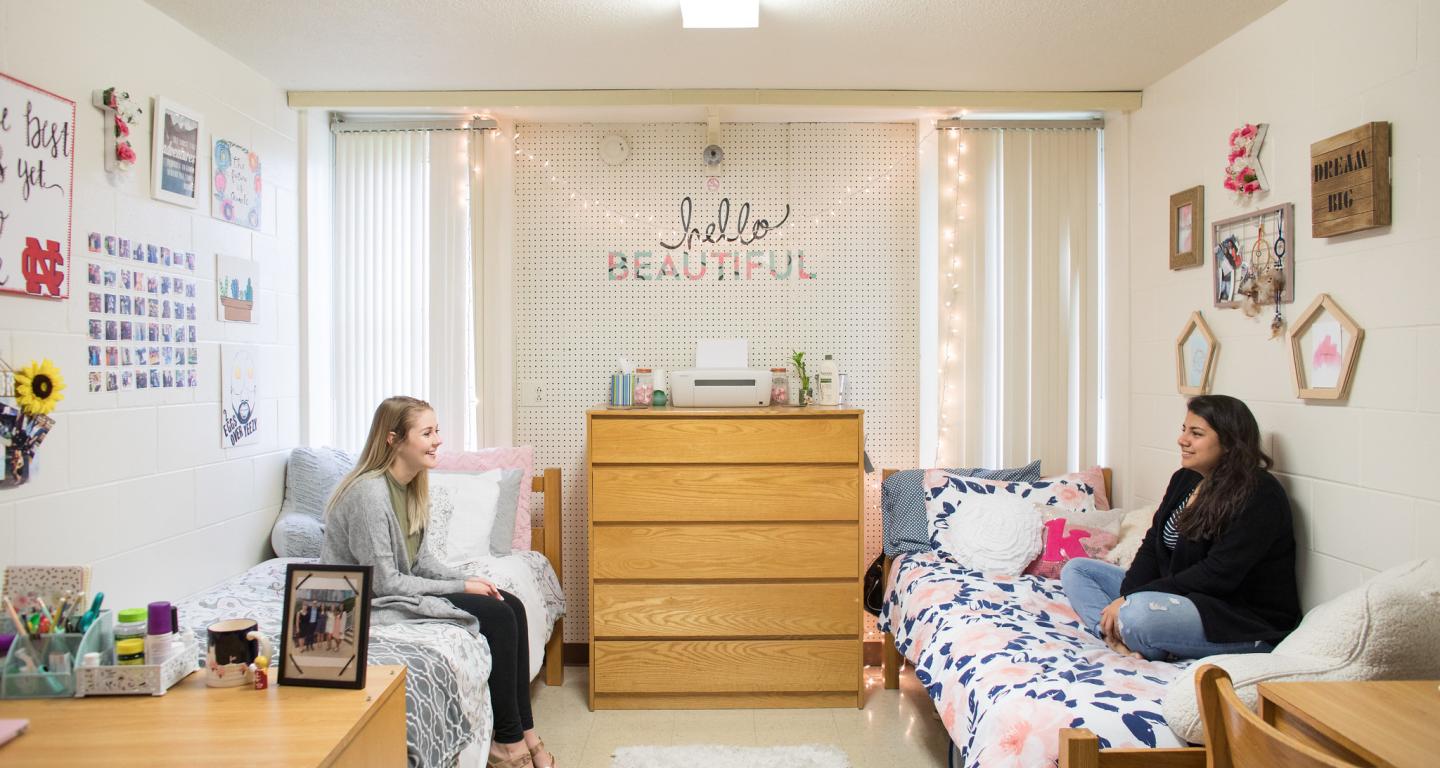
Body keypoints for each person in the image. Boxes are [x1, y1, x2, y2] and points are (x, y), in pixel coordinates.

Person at [323, 396, 554, 768]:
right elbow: (383, 583)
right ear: (394, 440)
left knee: (510, 603)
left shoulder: (413, 485)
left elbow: (423, 562)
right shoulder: (369, 494)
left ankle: (525, 733)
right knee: (496, 616)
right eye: (427, 433)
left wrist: (467, 578)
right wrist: (460, 589)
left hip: (397, 588)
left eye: (437, 431)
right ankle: (508, 744)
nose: (438, 441)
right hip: (365, 602)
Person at [1061, 394, 1300, 662]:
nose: (1182, 440)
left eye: (1196, 433)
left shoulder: (1260, 494)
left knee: (1137, 615)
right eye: (1184, 430)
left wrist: (1132, 601)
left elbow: (1217, 575)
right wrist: (1128, 594)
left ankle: (1136, 632)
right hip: (1180, 595)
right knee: (1077, 570)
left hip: (1231, 614)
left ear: (1230, 443)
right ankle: (1114, 636)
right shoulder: (1185, 479)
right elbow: (1152, 545)